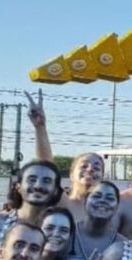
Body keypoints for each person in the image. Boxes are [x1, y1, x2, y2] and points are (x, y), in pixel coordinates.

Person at [26, 89, 107, 224]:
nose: (90, 169)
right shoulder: (61, 202)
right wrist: (40, 128)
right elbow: (46, 167)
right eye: (84, 165)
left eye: (97, 167)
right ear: (71, 174)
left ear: (103, 178)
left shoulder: (109, 210)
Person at [63, 181, 125, 260]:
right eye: (96, 196)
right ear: (85, 201)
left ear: (117, 207)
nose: (103, 201)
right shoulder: (66, 233)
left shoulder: (123, 245)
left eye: (110, 198)